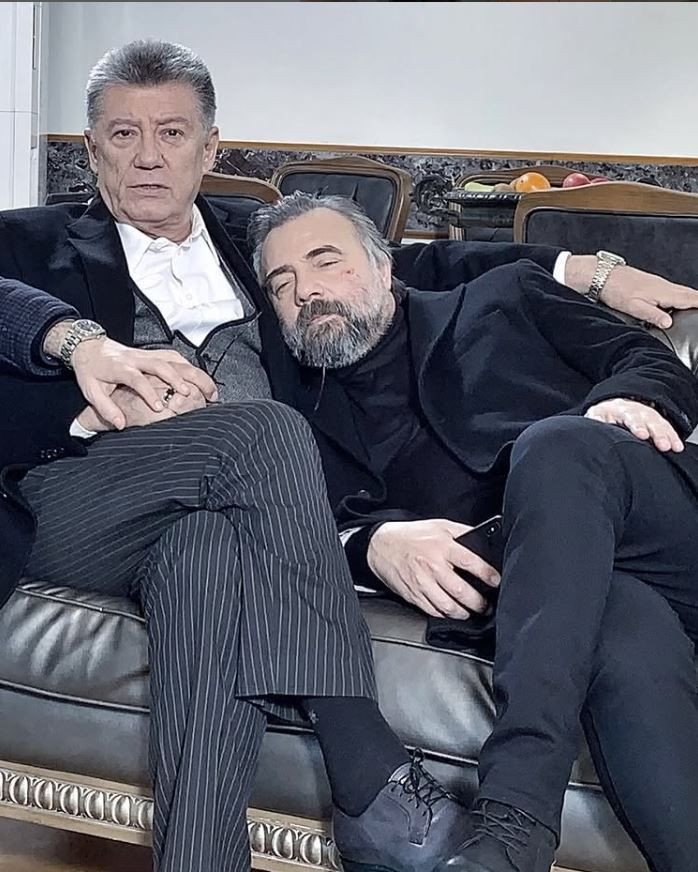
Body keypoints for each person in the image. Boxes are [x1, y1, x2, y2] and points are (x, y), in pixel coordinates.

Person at [0, 37, 696, 872]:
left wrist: (589, 268)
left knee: (206, 554)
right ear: (91, 150)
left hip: (218, 515)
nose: (148, 157)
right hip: (79, 492)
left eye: (172, 133)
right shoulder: (31, 240)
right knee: (264, 430)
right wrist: (79, 350)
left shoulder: (251, 248)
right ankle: (367, 770)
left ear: (210, 149)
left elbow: (419, 261)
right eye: (123, 135)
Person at [248, 191, 698, 872]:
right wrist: (368, 546)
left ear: (383, 266)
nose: (306, 290)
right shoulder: (292, 415)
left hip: (653, 522)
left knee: (555, 447)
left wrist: (626, 400)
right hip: (556, 590)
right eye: (282, 284)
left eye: (326, 261)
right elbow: (276, 523)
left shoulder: (505, 296)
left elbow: (651, 360)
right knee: (622, 634)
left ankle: (515, 818)